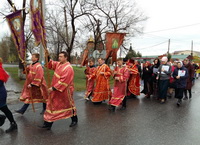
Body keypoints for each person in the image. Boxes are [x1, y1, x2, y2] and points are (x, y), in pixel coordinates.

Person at [40, 51, 78, 130]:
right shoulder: (59, 64)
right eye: (59, 56)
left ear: (66, 57)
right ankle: (48, 123)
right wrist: (47, 56)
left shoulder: (68, 68)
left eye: (61, 56)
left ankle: (74, 120)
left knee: (69, 105)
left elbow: (64, 81)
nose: (59, 58)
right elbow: (50, 64)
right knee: (52, 105)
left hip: (65, 91)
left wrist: (53, 88)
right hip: (56, 90)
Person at [0, 57, 17, 133]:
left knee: (4, 109)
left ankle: (13, 124)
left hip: (0, 94)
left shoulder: (0, 70)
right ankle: (1, 117)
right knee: (4, 109)